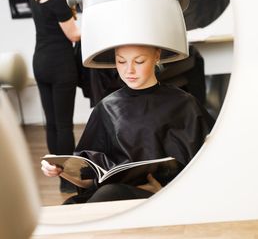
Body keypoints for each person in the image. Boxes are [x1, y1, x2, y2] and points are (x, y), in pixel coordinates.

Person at [41, 44, 215, 203]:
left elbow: (210, 165)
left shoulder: (184, 104)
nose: (129, 70)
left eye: (139, 61)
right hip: (115, 195)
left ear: (157, 56)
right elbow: (89, 180)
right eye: (121, 61)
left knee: (108, 194)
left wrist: (162, 188)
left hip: (168, 196)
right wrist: (62, 170)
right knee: (72, 205)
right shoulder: (106, 108)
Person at [29, 0, 88, 193]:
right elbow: (74, 35)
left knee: (51, 123)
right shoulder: (59, 2)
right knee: (65, 125)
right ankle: (67, 180)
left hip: (40, 62)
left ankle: (56, 170)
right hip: (61, 65)